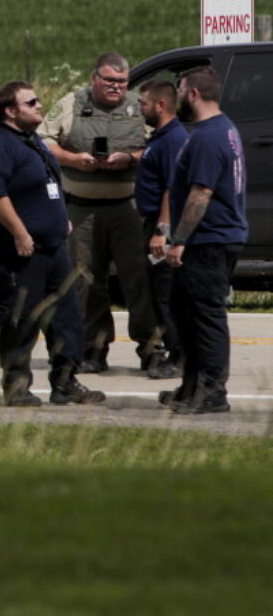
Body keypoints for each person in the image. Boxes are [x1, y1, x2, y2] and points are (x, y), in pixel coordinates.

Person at [0, 80, 105, 407]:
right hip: (22, 252)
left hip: (53, 249)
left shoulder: (31, 141)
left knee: (67, 317)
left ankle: (65, 383)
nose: (39, 106)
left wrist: (60, 219)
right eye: (31, 102)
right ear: (10, 110)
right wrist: (20, 233)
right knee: (20, 320)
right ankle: (17, 387)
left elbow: (44, 185)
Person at [38, 51, 165, 377]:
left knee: (138, 281)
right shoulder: (71, 103)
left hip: (128, 210)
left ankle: (151, 350)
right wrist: (71, 158)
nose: (116, 87)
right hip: (81, 209)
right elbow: (41, 139)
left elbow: (161, 145)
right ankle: (94, 350)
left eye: (122, 82)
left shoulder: (140, 107)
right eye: (109, 81)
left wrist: (131, 158)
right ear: (94, 78)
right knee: (85, 281)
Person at [161, 66, 247, 414]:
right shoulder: (218, 129)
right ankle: (191, 386)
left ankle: (212, 393)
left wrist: (179, 238)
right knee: (186, 313)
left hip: (208, 240)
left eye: (180, 91)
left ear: (193, 94)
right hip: (209, 238)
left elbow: (201, 193)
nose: (177, 98)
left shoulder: (209, 137)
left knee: (205, 316)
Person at [135, 79, 189, 374]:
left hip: (161, 225)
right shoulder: (160, 137)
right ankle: (175, 351)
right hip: (152, 222)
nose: (140, 109)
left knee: (167, 295)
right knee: (158, 294)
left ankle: (180, 357)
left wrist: (162, 231)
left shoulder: (172, 140)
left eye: (143, 103)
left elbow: (172, 187)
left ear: (161, 105)